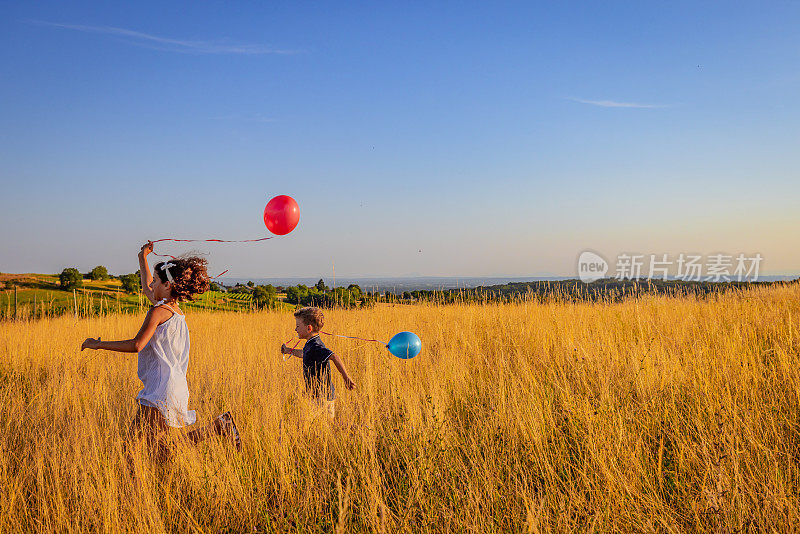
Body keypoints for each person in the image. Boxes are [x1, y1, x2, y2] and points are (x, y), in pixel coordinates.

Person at [80, 241, 240, 460]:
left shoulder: (157, 312)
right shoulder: (174, 310)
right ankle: (218, 427)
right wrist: (142, 258)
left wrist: (98, 344)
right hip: (172, 387)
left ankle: (218, 427)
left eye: (156, 281)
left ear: (167, 286)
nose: (151, 285)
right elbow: (147, 288)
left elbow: (137, 345)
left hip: (161, 390)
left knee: (134, 450)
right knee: (161, 451)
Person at [280, 307, 355, 418]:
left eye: (298, 326)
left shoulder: (316, 345)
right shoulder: (311, 344)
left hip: (323, 396)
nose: (295, 329)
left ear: (309, 328)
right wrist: (288, 350)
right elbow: (304, 354)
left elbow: (334, 356)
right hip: (316, 395)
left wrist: (346, 377)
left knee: (323, 427)